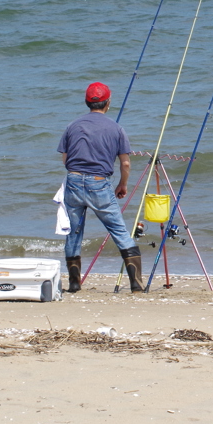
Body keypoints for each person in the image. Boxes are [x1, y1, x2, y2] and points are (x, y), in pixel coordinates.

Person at [57, 82, 144, 293]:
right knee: (119, 230)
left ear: (87, 102)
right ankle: (136, 284)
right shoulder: (116, 128)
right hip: (100, 183)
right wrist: (123, 184)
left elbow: (65, 158)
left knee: (73, 233)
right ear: (108, 102)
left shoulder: (72, 126)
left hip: (74, 181)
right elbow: (125, 163)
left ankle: (74, 283)